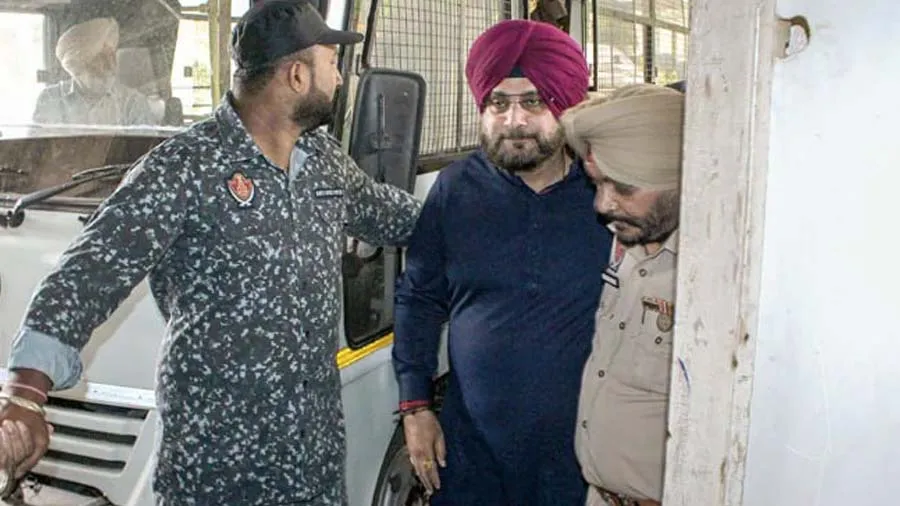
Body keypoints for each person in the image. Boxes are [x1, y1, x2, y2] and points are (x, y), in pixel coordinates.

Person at [1, 1, 422, 505]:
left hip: (312, 459)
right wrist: (26, 395)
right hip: (216, 467)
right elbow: (85, 274)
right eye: (332, 63)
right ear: (296, 76)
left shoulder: (323, 161)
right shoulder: (184, 167)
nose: (338, 77)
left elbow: (393, 215)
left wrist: (484, 204)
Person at [392, 19, 614, 506]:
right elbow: (419, 297)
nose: (514, 121)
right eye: (498, 102)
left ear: (565, 104)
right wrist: (415, 406)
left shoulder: (609, 193)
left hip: (585, 461)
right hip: (473, 458)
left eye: (533, 101)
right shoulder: (455, 190)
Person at [559, 83, 685, 506]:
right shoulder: (627, 244)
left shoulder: (715, 277)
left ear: (679, 178)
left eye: (624, 189)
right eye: (597, 184)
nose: (603, 205)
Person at [32, 17, 156, 126]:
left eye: (113, 55)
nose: (111, 65)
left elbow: (149, 146)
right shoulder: (50, 100)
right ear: (78, 64)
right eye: (101, 57)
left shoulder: (133, 102)